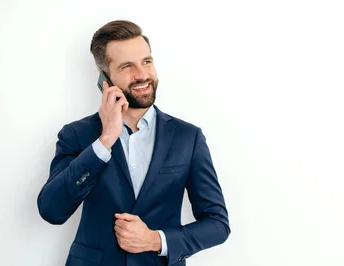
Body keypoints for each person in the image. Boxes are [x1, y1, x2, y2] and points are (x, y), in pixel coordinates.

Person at [37, 20, 230, 266]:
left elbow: (217, 224)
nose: (142, 75)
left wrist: (156, 240)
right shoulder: (77, 135)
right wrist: (105, 140)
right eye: (127, 66)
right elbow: (51, 210)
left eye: (147, 62)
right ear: (105, 77)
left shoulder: (187, 137)